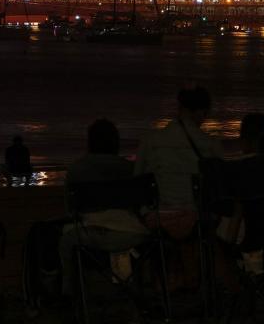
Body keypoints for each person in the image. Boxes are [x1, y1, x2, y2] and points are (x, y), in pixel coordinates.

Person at [59, 118, 147, 292]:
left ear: (90, 142)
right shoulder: (131, 169)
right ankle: (130, 281)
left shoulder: (77, 170)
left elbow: (71, 209)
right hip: (131, 234)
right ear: (116, 143)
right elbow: (141, 206)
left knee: (63, 237)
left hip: (88, 234)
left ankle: (68, 290)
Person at [136, 84, 222, 240]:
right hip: (197, 221)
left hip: (159, 220)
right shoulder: (211, 144)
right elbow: (219, 185)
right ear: (202, 112)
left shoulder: (151, 141)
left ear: (180, 108)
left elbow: (138, 180)